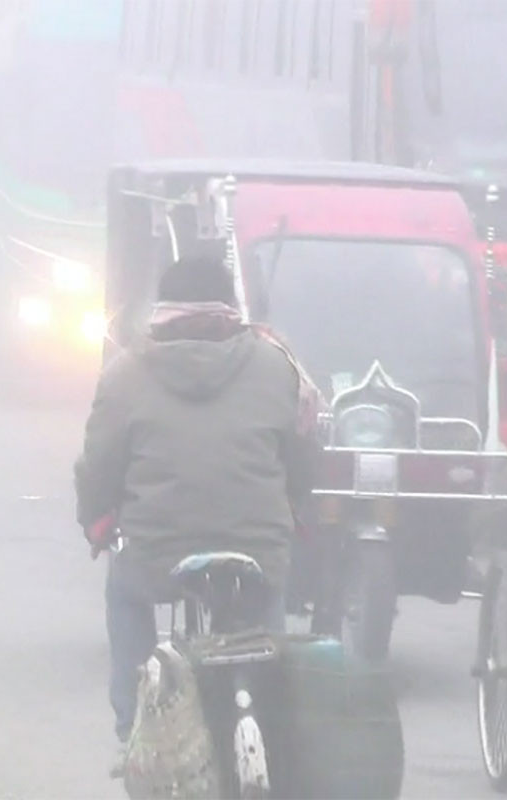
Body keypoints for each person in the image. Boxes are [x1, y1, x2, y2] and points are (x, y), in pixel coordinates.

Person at [74, 253, 321, 768]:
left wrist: (95, 519)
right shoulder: (278, 365)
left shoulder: (124, 373)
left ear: (162, 311)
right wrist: (294, 507)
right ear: (231, 309)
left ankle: (132, 726)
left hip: (156, 550)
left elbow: (99, 463)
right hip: (255, 544)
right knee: (265, 610)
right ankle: (272, 716)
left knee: (125, 595)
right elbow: (302, 453)